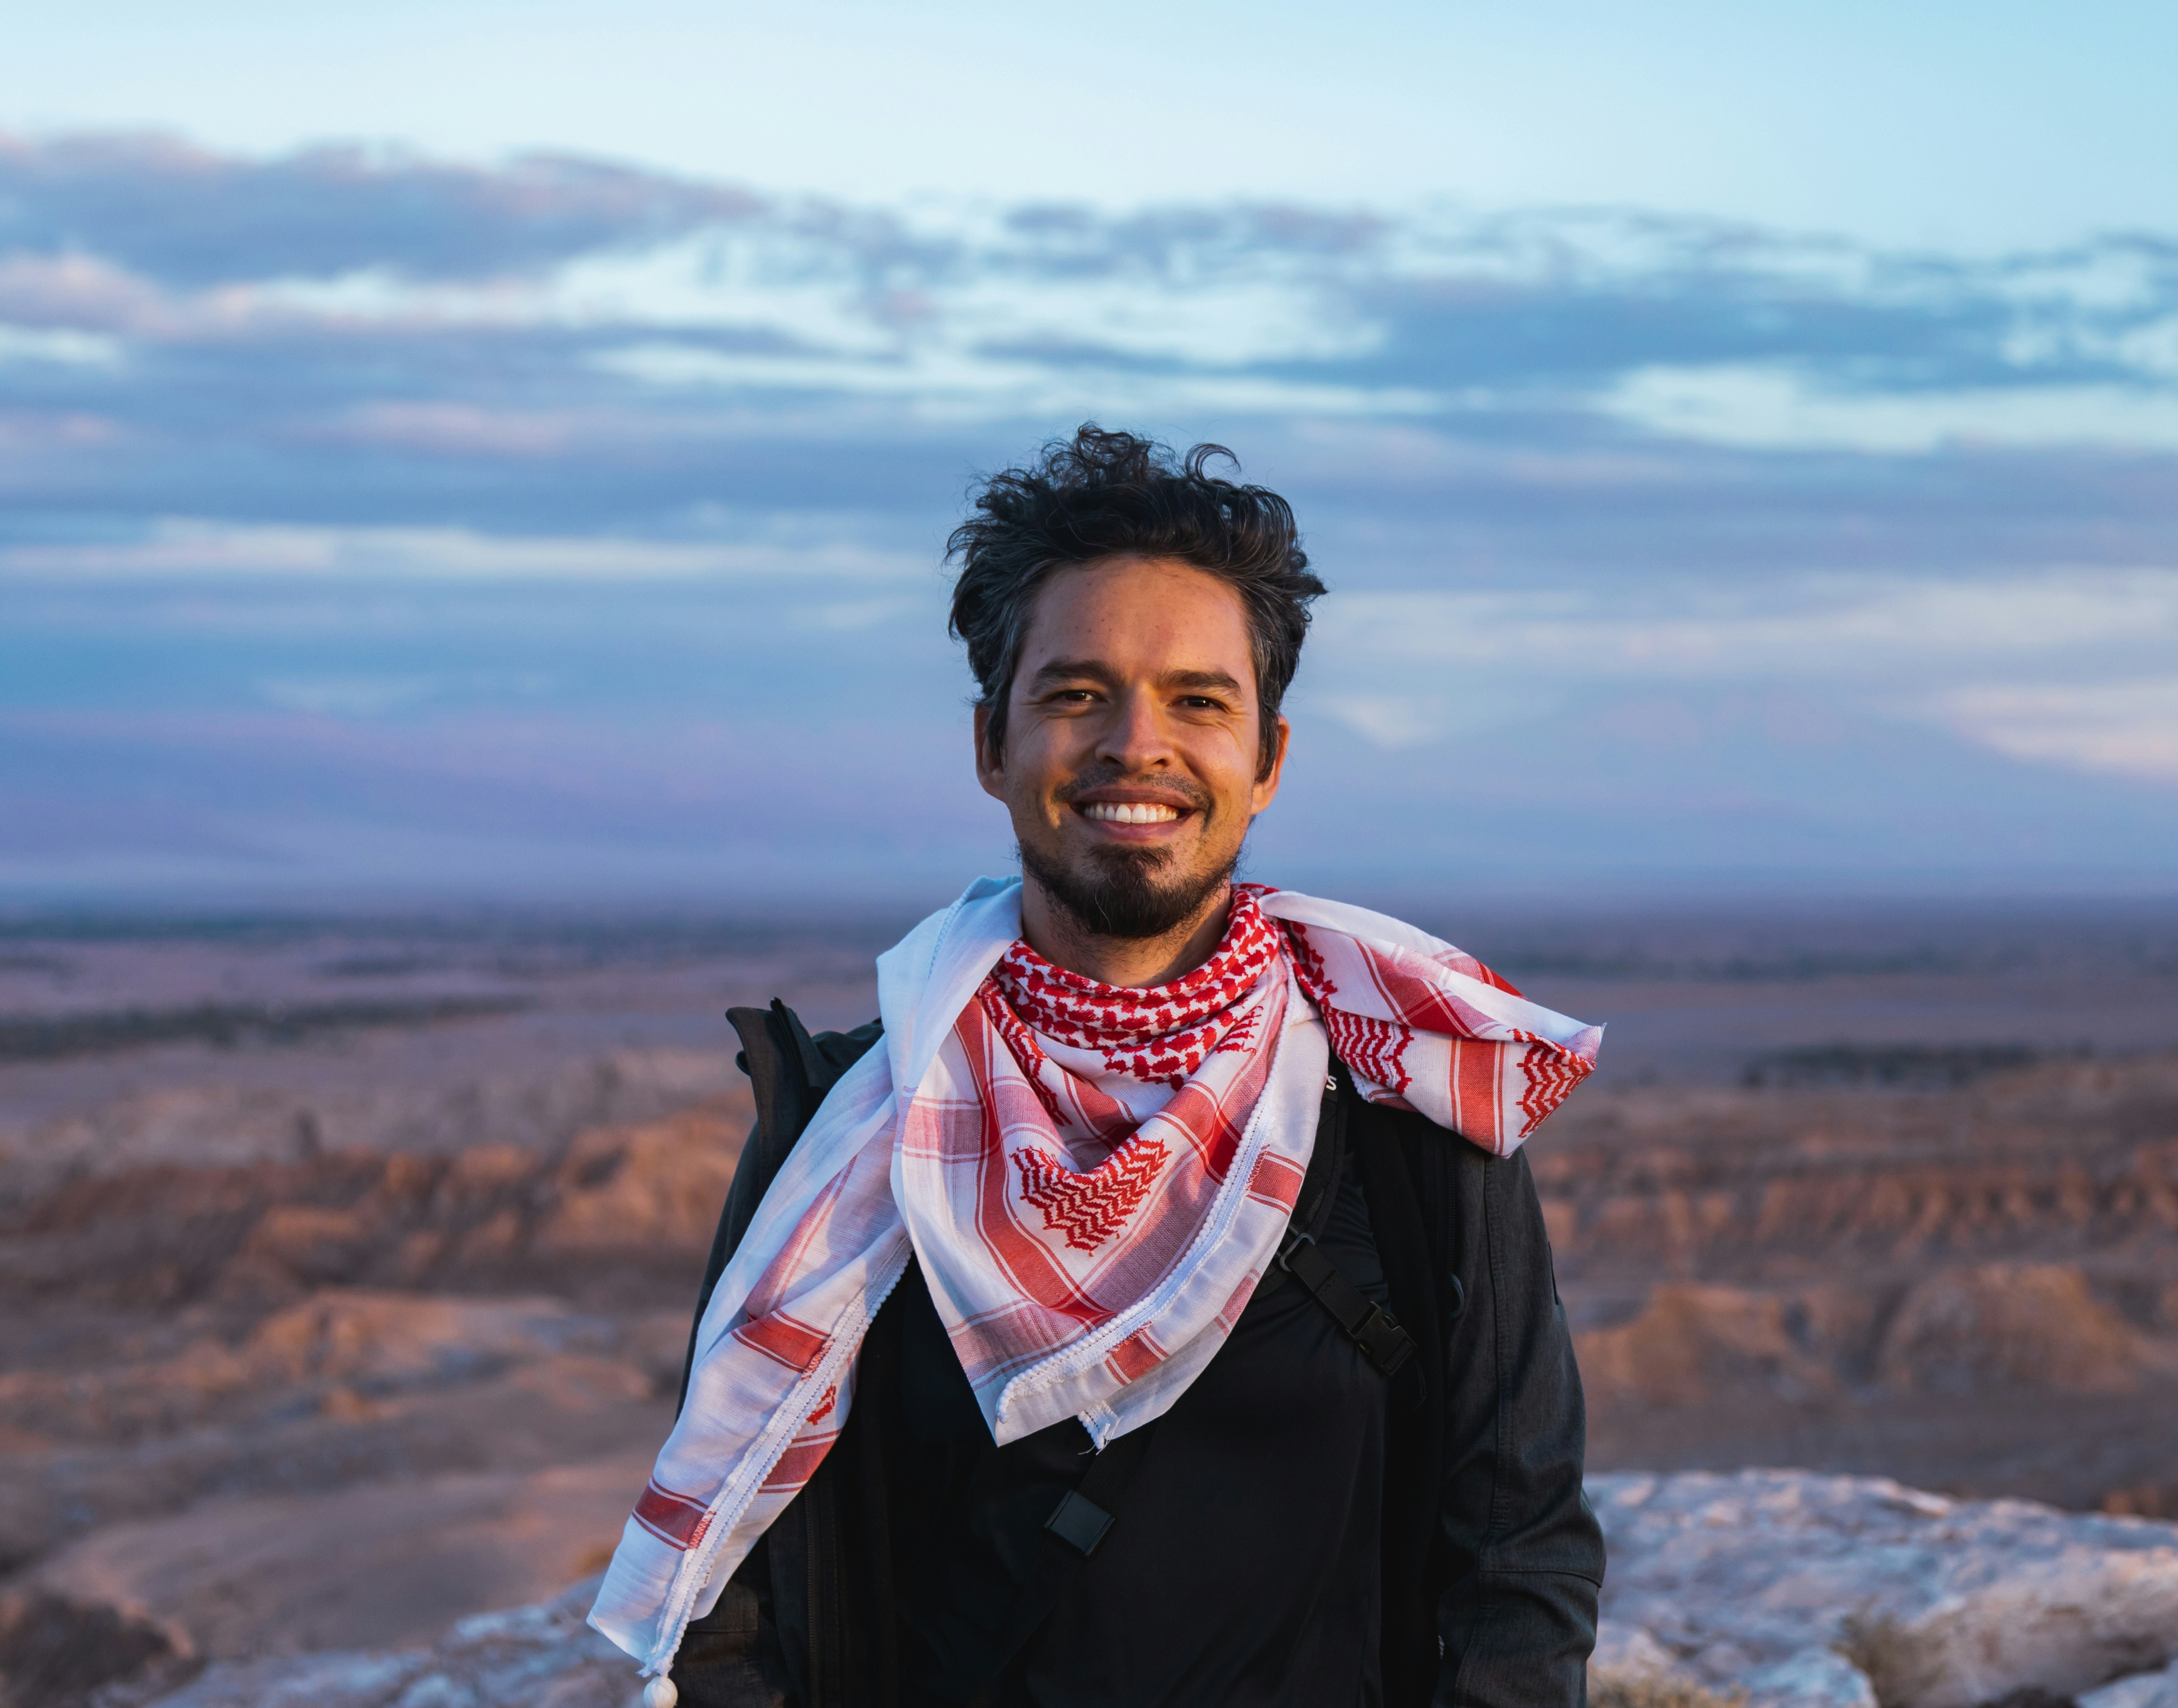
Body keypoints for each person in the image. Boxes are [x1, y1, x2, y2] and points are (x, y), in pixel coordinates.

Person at [593, 428, 1605, 1707]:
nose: (1138, 743)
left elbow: (1519, 1556)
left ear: (1268, 762)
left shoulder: (1405, 1111)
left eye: (1199, 700)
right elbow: (738, 1594)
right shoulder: (856, 1126)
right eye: (1077, 694)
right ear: (992, 747)